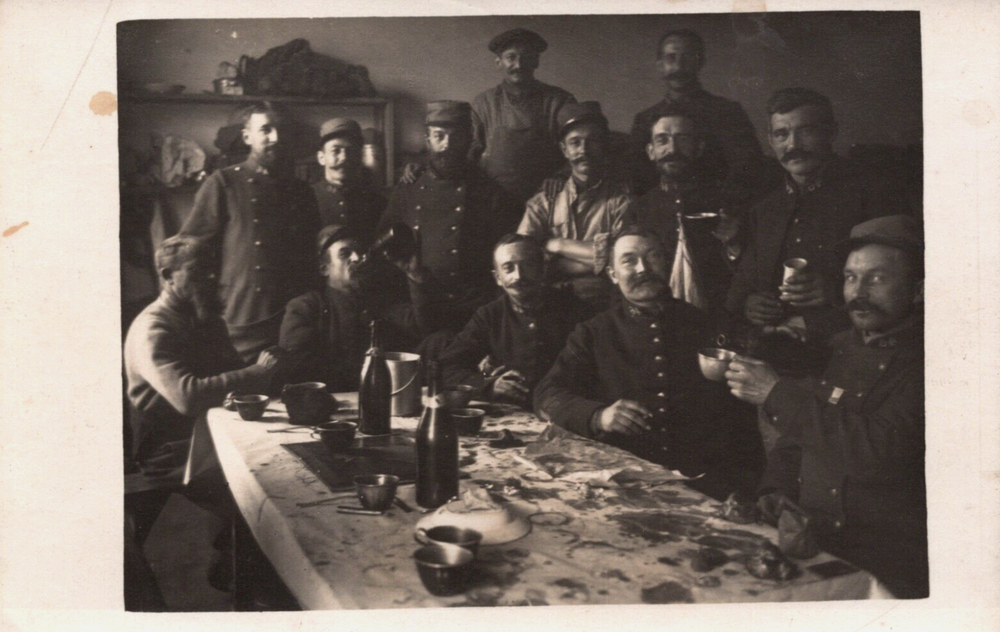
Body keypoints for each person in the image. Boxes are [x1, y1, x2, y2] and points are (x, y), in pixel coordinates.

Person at [725, 215, 926, 598]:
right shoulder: (841, 345)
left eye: (877, 278)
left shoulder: (933, 360)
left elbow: (879, 453)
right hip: (818, 545)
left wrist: (776, 393)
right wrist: (777, 489)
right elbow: (798, 439)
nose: (859, 292)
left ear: (918, 290)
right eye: (851, 277)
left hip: (885, 563)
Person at [534, 228, 764, 499]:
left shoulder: (706, 324)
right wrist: (599, 416)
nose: (642, 268)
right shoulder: (593, 332)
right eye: (629, 260)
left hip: (706, 478)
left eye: (652, 257)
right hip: (626, 479)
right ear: (612, 274)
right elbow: (546, 396)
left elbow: (741, 418)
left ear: (666, 263)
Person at [725, 87, 910, 348]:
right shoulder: (765, 209)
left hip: (851, 348)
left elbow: (903, 287)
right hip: (774, 348)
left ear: (831, 132)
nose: (793, 145)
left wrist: (836, 291)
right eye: (782, 134)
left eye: (806, 131)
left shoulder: (873, 195)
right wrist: (748, 303)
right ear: (770, 140)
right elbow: (743, 282)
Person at [124, 235, 280, 490]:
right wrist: (258, 372)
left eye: (212, 269)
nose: (211, 278)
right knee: (263, 479)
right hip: (167, 454)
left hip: (207, 436)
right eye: (198, 270)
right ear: (168, 275)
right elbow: (188, 397)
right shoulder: (152, 328)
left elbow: (231, 371)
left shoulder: (204, 317)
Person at [179, 102, 319, 362]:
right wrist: (204, 311)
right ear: (247, 137)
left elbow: (313, 257)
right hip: (242, 317)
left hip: (295, 318)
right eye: (265, 130)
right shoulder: (223, 183)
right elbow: (190, 252)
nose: (275, 138)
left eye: (280, 130)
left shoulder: (302, 191)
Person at [378, 100, 508, 334]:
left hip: (474, 311)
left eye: (456, 137)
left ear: (468, 141)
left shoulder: (490, 192)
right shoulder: (408, 187)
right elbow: (384, 249)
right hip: (420, 306)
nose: (447, 145)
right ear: (428, 141)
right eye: (439, 136)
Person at [437, 234, 589, 409]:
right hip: (513, 412)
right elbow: (447, 368)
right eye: (508, 268)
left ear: (543, 269)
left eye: (528, 266)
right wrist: (489, 385)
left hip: (566, 409)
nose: (519, 276)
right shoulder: (490, 315)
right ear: (497, 278)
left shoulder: (577, 312)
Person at [278, 224, 432, 392]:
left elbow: (423, 329)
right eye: (345, 254)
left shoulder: (378, 302)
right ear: (324, 268)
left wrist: (414, 274)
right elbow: (299, 369)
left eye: (360, 251)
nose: (358, 258)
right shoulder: (305, 307)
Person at [518, 101, 634, 312]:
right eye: (575, 143)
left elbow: (623, 260)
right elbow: (523, 259)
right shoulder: (543, 203)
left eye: (593, 141)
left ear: (604, 146)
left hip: (606, 306)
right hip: (548, 306)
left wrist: (557, 246)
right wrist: (597, 262)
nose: (584, 150)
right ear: (564, 150)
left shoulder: (622, 201)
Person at [631, 103, 741, 316]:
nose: (672, 149)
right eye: (662, 140)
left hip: (717, 314)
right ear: (651, 151)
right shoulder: (639, 208)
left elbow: (746, 273)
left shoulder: (726, 201)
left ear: (699, 147)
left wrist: (735, 244)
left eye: (683, 139)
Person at [630, 29, 763, 202]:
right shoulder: (645, 119)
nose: (678, 67)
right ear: (660, 64)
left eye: (687, 57)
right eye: (671, 58)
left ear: (700, 62)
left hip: (718, 208)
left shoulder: (727, 112)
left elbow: (747, 169)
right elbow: (637, 177)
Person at [312, 117, 386, 245]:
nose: (344, 158)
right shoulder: (306, 198)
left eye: (351, 151)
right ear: (321, 157)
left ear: (359, 156)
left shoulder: (376, 201)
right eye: (336, 151)